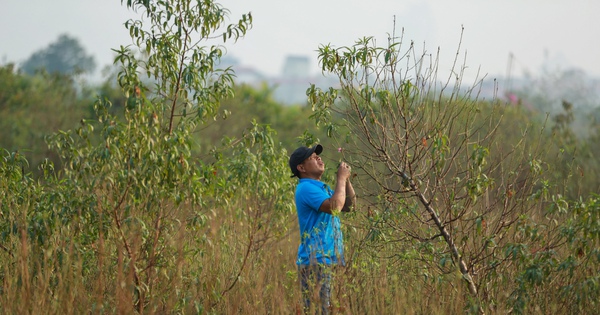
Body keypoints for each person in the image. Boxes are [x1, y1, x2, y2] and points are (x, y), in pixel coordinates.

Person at [289, 144, 356, 314]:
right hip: (316, 262)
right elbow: (335, 207)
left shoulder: (321, 187)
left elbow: (348, 206)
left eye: (318, 156)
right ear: (301, 168)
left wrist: (346, 180)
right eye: (312, 157)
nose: (319, 158)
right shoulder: (306, 188)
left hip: (328, 261)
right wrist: (340, 179)